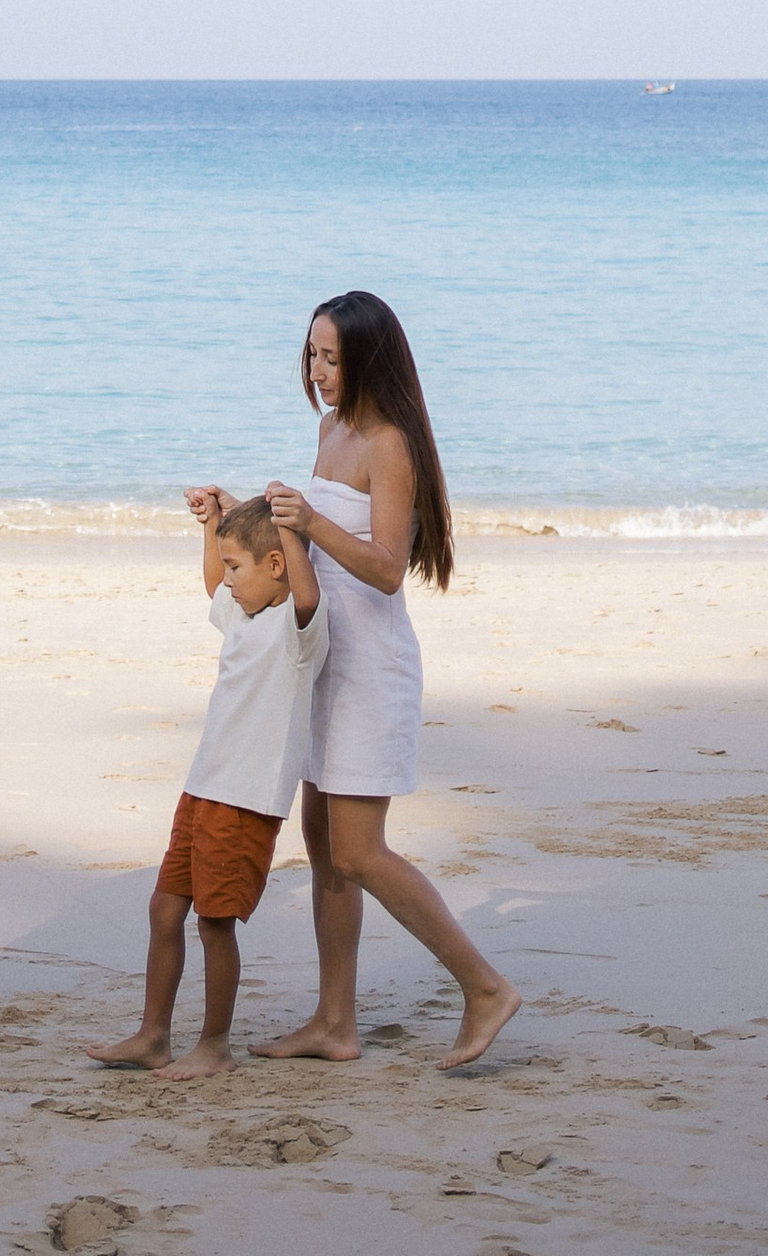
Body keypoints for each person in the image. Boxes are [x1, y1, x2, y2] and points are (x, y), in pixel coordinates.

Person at [255, 287, 521, 1073]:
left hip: (373, 669)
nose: (318, 370)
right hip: (325, 663)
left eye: (333, 358)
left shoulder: (388, 444)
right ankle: (335, 1022)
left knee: (361, 852)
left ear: (369, 361)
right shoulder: (329, 429)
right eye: (312, 354)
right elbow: (315, 555)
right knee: (322, 843)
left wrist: (309, 520)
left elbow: (385, 569)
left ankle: (485, 988)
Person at [89, 489, 327, 1078]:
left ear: (277, 565)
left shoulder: (297, 632)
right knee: (164, 910)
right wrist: (214, 524)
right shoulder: (242, 615)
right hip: (203, 788)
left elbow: (306, 593)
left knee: (214, 922)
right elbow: (212, 586)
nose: (228, 581)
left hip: (245, 799)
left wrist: (288, 525)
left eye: (237, 568)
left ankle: (214, 1045)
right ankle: (153, 1036)